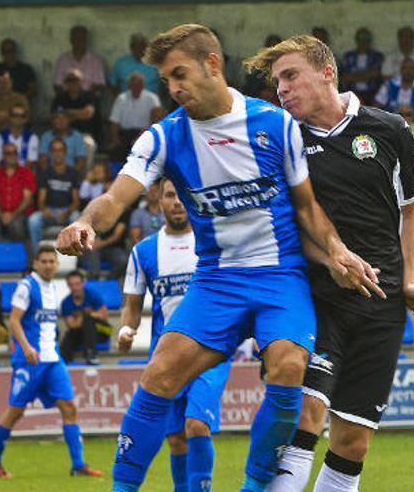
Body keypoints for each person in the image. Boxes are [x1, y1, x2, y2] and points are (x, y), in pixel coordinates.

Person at [57, 24, 380, 492]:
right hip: (216, 280)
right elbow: (114, 198)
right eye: (166, 80)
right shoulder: (163, 137)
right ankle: (123, 487)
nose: (172, 88)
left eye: (179, 74)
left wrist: (336, 252)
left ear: (213, 64)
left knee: (289, 365)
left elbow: (307, 207)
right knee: (160, 374)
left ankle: (253, 487)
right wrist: (86, 222)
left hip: (280, 275)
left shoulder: (274, 124)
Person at [246, 34, 414, 492]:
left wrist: (408, 281)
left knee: (352, 441)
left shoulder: (389, 129)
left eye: (290, 75)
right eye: (277, 82)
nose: (282, 89)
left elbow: (412, 209)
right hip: (315, 296)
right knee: (305, 412)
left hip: (381, 301)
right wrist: (331, 259)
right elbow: (285, 225)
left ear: (327, 72)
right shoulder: (281, 139)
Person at [119, 177, 231, 492]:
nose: (178, 202)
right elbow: (133, 304)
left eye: (183, 195)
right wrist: (127, 329)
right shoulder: (144, 251)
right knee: (176, 437)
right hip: (167, 355)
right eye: (171, 195)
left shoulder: (213, 242)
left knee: (196, 425)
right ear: (159, 200)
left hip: (210, 351)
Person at [0, 244, 102, 479]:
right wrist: (26, 347)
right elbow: (14, 321)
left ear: (57, 265)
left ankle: (78, 465)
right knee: (15, 411)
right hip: (30, 360)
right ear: (36, 263)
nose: (48, 265)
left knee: (69, 407)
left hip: (52, 359)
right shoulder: (26, 286)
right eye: (44, 261)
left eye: (52, 261)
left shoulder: (54, 288)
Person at [28, 139, 81, 253]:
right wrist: (45, 210)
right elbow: (41, 199)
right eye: (55, 150)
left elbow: (76, 201)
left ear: (65, 152)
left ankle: (76, 256)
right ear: (51, 153)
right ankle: (37, 255)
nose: (58, 153)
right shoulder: (45, 173)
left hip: (67, 210)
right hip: (49, 210)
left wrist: (67, 213)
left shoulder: (73, 173)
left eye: (60, 150)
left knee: (76, 219)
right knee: (33, 220)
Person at [0, 143, 36, 259]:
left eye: (14, 153)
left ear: (18, 155)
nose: (11, 156)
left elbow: (27, 200)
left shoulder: (26, 173)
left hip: (20, 214)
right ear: (3, 156)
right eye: (8, 153)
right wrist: (2, 215)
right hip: (0, 213)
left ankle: (21, 259)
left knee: (17, 225)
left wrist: (12, 215)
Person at [108, 72, 163, 162]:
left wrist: (145, 133)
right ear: (129, 85)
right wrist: (115, 139)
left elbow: (157, 119)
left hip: (145, 133)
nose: (136, 87)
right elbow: (114, 121)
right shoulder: (121, 98)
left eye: (139, 85)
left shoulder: (152, 98)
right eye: (133, 85)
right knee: (116, 152)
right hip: (124, 134)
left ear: (143, 85)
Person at [60, 270, 110, 365]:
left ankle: (91, 353)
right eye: (71, 285)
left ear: (83, 283)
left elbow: (104, 317)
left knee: (88, 319)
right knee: (70, 334)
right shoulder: (66, 303)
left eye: (77, 284)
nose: (75, 287)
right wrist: (90, 314)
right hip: (82, 333)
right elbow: (72, 325)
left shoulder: (93, 295)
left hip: (104, 331)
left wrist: (86, 315)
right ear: (68, 286)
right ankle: (64, 360)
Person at [374, 58, 414, 125]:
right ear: (401, 70)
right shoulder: (388, 86)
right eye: (405, 68)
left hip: (411, 127)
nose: (408, 71)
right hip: (388, 125)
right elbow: (376, 107)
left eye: (411, 68)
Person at [54, 25, 106, 95]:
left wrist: (84, 98)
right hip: (67, 101)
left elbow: (100, 84)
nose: (79, 42)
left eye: (82, 39)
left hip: (88, 100)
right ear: (71, 40)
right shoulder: (62, 60)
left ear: (86, 40)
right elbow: (57, 84)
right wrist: (67, 99)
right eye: (76, 38)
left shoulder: (96, 61)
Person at [52, 69, 100, 142]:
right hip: (63, 133)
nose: (74, 82)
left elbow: (87, 114)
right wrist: (79, 114)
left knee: (87, 144)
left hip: (85, 134)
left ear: (82, 81)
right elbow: (55, 117)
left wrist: (66, 113)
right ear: (65, 83)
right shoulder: (59, 97)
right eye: (70, 80)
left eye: (76, 79)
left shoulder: (90, 96)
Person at [340, 27, 384, 105]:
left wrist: (354, 76)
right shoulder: (348, 56)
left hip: (372, 93)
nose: (364, 41)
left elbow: (376, 73)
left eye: (366, 38)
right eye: (361, 38)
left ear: (370, 40)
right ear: (356, 40)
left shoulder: (377, 56)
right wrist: (367, 75)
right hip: (352, 92)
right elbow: (345, 76)